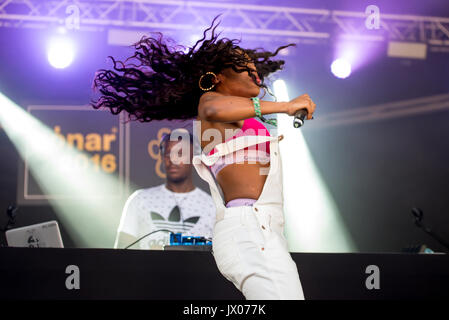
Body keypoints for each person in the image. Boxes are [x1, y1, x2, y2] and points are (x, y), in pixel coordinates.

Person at [92, 15, 316, 299]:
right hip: (249, 229)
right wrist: (285, 106)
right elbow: (215, 109)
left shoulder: (248, 120)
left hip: (263, 231)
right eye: (242, 63)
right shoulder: (209, 102)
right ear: (217, 77)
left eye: (253, 64)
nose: (253, 68)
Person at [113, 129, 216, 249]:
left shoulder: (211, 205)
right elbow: (120, 252)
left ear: (194, 157)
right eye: (168, 154)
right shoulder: (139, 199)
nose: (173, 160)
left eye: (180, 154)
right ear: (161, 157)